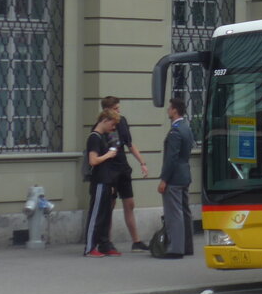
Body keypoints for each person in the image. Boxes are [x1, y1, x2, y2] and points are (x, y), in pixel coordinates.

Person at [101, 96, 150, 251]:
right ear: (107, 110)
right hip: (110, 169)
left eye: (118, 108)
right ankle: (106, 240)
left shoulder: (122, 121)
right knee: (110, 204)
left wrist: (142, 162)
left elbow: (129, 144)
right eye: (115, 109)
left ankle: (136, 241)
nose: (118, 111)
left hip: (122, 167)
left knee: (130, 203)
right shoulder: (101, 125)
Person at [157, 98, 196, 259]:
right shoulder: (186, 128)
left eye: (169, 108)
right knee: (185, 211)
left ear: (175, 110)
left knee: (174, 213)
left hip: (174, 177)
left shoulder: (175, 131)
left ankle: (175, 248)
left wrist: (164, 179)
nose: (168, 110)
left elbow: (171, 158)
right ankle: (187, 246)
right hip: (185, 174)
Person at [83, 110, 122, 257]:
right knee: (96, 214)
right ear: (105, 120)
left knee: (105, 215)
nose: (113, 128)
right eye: (112, 124)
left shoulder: (104, 137)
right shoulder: (94, 138)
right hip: (99, 181)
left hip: (106, 180)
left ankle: (104, 245)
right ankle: (90, 247)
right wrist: (107, 155)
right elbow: (93, 160)